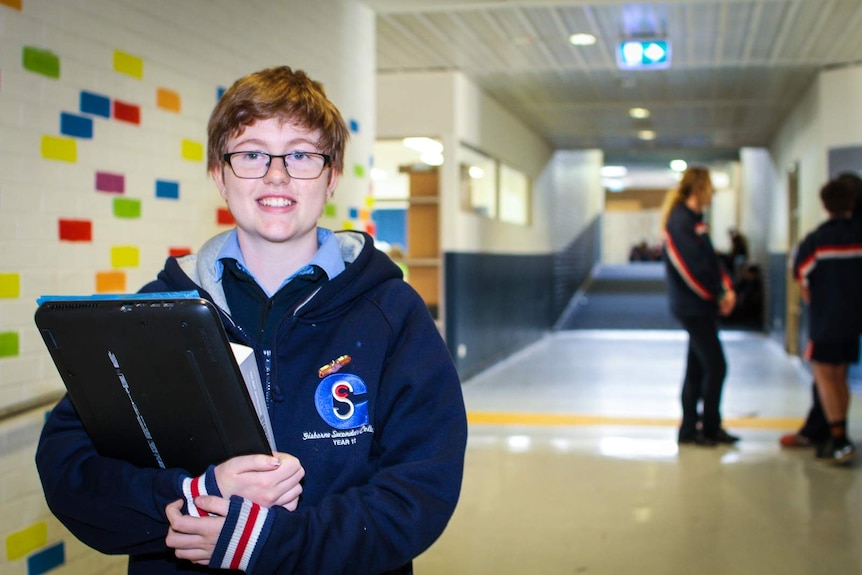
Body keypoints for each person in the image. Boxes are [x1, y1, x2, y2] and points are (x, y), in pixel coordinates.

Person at [35, 66, 468, 574]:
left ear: (331, 176)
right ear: (219, 175)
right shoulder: (154, 312)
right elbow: (68, 467)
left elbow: (420, 491)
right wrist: (195, 492)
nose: (276, 174)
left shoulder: (392, 313)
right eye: (252, 154)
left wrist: (268, 542)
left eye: (302, 154)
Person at [780, 172, 862, 450]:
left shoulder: (816, 241)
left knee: (825, 378)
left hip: (826, 320)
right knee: (841, 377)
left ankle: (838, 439)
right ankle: (840, 433)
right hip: (852, 320)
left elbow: (802, 282)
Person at [661, 166, 739, 447]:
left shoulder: (696, 221)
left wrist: (726, 287)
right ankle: (708, 426)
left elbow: (710, 261)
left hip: (702, 305)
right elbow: (690, 269)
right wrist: (718, 294)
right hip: (692, 307)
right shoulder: (679, 222)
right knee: (717, 366)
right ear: (697, 189)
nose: (713, 194)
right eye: (709, 187)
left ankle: (691, 429)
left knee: (696, 369)